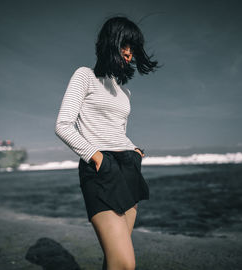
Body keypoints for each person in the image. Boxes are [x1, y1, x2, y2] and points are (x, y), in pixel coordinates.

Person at [55, 15, 160, 270]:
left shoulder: (125, 92)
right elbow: (63, 125)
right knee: (124, 263)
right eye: (124, 44)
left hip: (128, 167)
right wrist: (97, 157)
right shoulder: (85, 76)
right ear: (110, 42)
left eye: (132, 47)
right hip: (100, 168)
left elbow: (117, 131)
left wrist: (134, 151)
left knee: (113, 259)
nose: (129, 52)